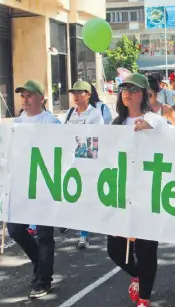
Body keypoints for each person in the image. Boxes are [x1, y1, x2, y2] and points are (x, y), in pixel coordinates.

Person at [109, 73, 168, 307]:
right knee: (114, 249)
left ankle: (145, 297)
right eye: (124, 88)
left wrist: (151, 124)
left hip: (148, 196)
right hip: (120, 197)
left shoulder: (155, 119)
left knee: (145, 249)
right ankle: (137, 275)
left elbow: (174, 134)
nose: (127, 93)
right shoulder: (115, 124)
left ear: (143, 94)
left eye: (133, 89)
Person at [10, 80, 60, 299]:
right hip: (22, 187)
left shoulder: (52, 122)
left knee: (44, 236)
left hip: (45, 186)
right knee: (15, 229)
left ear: (41, 98)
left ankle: (43, 279)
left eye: (29, 95)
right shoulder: (16, 123)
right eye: (23, 96)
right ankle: (40, 263)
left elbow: (61, 152)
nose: (25, 99)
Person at [65, 81, 104, 248]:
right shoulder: (69, 113)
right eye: (74, 93)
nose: (75, 96)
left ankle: (84, 234)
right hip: (71, 161)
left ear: (88, 95)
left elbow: (97, 137)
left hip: (88, 162)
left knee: (85, 198)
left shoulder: (95, 114)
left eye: (80, 92)